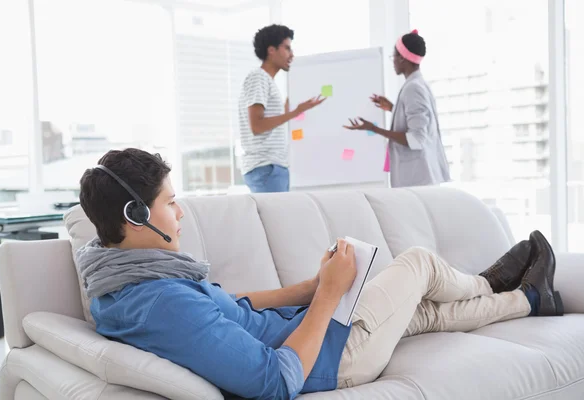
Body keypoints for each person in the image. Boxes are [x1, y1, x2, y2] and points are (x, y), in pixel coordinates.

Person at [76, 148, 563, 399]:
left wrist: (310, 288)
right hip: (333, 360)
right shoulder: (162, 303)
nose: (179, 214)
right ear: (137, 215)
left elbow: (233, 307)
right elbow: (274, 381)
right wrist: (329, 296)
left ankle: (528, 300)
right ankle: (489, 280)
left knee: (422, 312)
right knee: (417, 262)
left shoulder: (120, 279)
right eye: (170, 203)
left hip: (317, 337)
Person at [344, 29, 450, 188]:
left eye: (393, 56)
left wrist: (374, 128)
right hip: (420, 179)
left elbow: (416, 138)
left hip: (418, 180)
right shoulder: (418, 85)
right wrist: (393, 108)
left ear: (402, 59)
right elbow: (420, 122)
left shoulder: (413, 88)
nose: (392, 61)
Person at [238, 24, 325, 193]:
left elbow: (269, 122)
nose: (291, 55)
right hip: (266, 167)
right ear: (272, 50)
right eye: (287, 48)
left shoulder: (267, 81)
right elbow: (257, 126)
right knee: (277, 220)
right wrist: (295, 112)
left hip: (272, 167)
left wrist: (293, 107)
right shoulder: (258, 78)